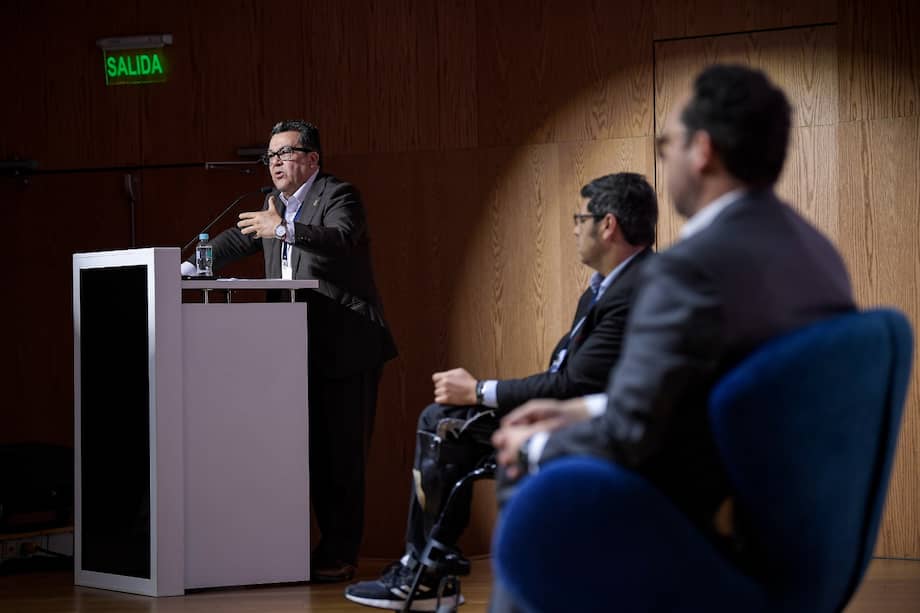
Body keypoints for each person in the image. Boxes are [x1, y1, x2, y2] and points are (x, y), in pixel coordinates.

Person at [492, 64, 856, 580]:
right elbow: (708, 392)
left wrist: (535, 444)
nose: (666, 158)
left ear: (702, 150)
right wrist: (578, 410)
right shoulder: (818, 254)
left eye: (668, 144)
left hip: (704, 531)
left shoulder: (690, 269)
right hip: (797, 527)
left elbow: (631, 437)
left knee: (524, 467)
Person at [345, 172, 658, 611]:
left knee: (446, 421)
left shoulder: (636, 288)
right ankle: (428, 566)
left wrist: (477, 390)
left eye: (579, 217)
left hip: (602, 427)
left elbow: (574, 384)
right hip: (577, 411)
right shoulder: (606, 288)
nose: (573, 228)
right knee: (441, 421)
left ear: (607, 225)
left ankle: (427, 570)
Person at [181, 120, 397, 582]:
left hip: (346, 348)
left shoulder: (340, 196)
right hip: (289, 349)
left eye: (285, 152)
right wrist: (185, 264)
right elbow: (239, 238)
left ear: (313, 159)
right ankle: (295, 548)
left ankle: (340, 554)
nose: (275, 162)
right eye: (270, 156)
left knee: (341, 456)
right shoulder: (273, 205)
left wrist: (283, 230)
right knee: (300, 452)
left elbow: (341, 238)